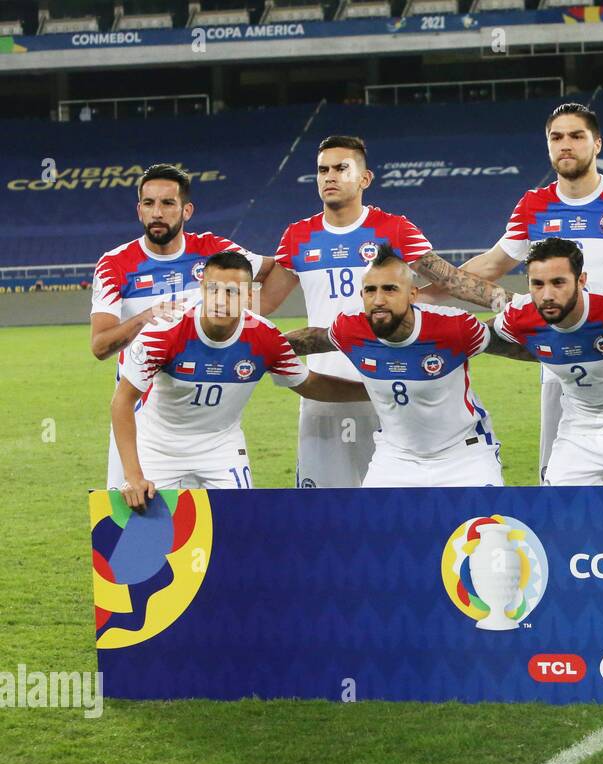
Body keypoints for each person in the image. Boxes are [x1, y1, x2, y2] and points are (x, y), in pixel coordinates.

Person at [257, 134, 508, 488]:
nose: (330, 176)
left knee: (392, 504)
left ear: (364, 179)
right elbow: (263, 305)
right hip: (323, 392)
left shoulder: (394, 230)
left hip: (390, 389)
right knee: (325, 509)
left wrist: (512, 305)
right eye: (322, 170)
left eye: (341, 168)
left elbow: (451, 280)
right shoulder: (298, 236)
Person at [454, 103, 603, 482]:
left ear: (597, 143)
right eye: (556, 137)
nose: (566, 144)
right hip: (559, 364)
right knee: (559, 494)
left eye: (576, 136)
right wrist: (425, 292)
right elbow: (494, 263)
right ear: (547, 145)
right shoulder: (533, 205)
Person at [111, 252, 367, 510]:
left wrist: (370, 392)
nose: (220, 301)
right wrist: (133, 476)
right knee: (150, 538)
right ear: (202, 288)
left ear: (248, 296)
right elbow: (123, 401)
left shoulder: (265, 338)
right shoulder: (163, 332)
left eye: (232, 292)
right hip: (159, 447)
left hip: (221, 447)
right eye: (213, 289)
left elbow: (309, 384)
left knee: (238, 531)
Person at [91, 162, 289, 487]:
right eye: (149, 203)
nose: (157, 212)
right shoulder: (116, 264)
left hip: (202, 415)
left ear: (186, 210)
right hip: (136, 411)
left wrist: (249, 319)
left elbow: (278, 268)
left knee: (220, 525)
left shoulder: (213, 252)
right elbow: (99, 346)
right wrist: (146, 316)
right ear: (139, 210)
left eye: (168, 203)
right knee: (138, 525)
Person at [286, 245, 513, 487]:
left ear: (412, 294)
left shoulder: (452, 327)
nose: (379, 300)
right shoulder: (351, 328)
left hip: (465, 454)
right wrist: (259, 345)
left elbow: (510, 343)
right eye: (370, 290)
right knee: (376, 525)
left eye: (390, 289)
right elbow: (313, 340)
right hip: (395, 457)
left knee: (485, 525)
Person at [492, 238, 603, 485]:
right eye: (537, 284)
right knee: (559, 518)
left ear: (581, 280)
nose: (547, 295)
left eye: (558, 282)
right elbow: (484, 336)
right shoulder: (519, 315)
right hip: (578, 428)